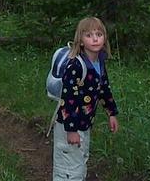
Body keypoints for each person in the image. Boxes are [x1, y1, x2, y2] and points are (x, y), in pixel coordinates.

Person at [53, 16, 119, 181]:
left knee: (80, 162)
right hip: (69, 126)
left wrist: (111, 113)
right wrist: (71, 129)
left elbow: (104, 89)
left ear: (104, 37)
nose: (95, 39)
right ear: (81, 40)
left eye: (99, 34)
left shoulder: (99, 62)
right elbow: (68, 98)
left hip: (84, 124)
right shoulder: (75, 65)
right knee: (67, 169)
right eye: (89, 35)